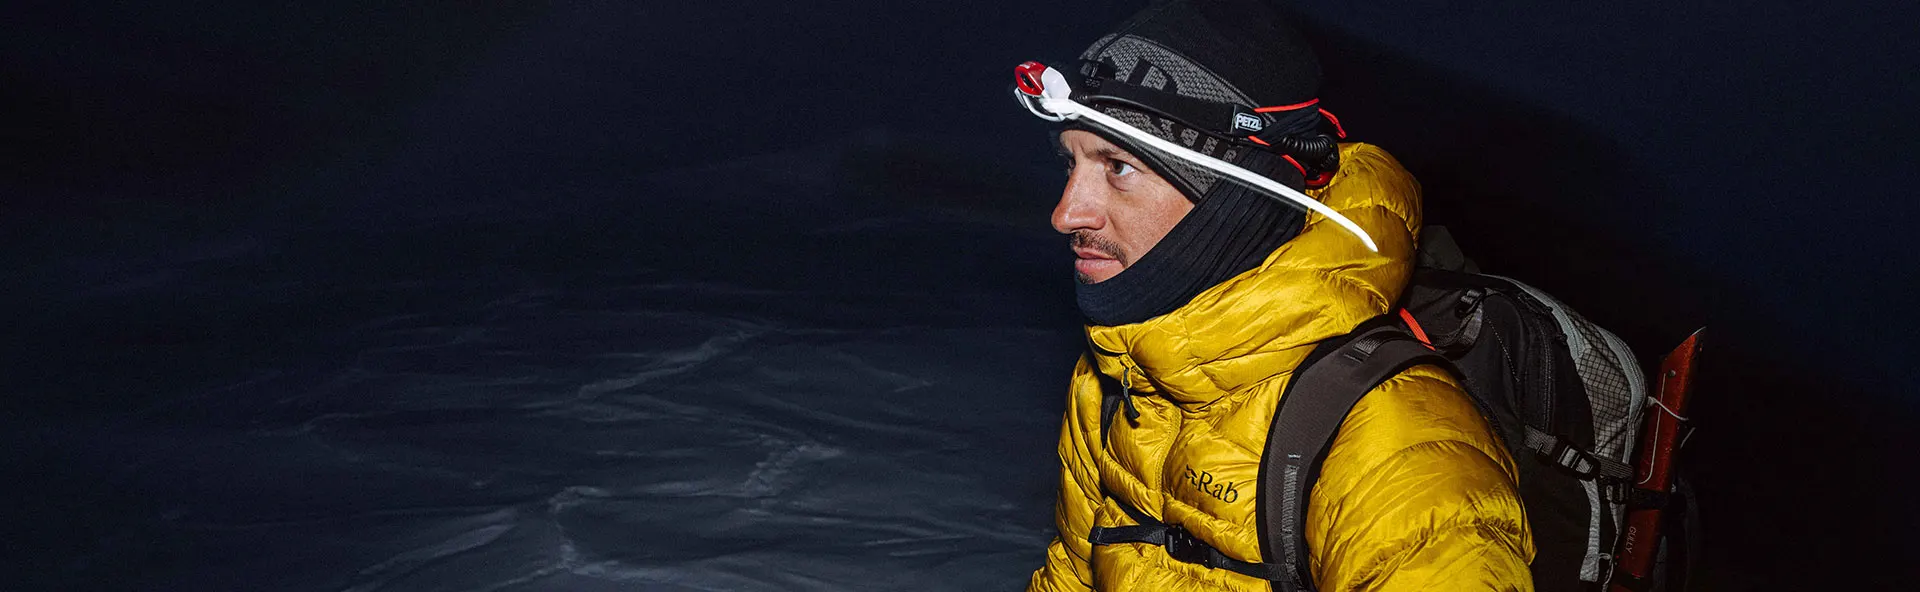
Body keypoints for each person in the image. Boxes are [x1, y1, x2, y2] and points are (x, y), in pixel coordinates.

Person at [1015, 1, 1534, 590]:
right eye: (1071, 164)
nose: (1066, 213)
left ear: (1234, 195)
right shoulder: (1114, 379)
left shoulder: (1396, 448)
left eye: (1119, 167)